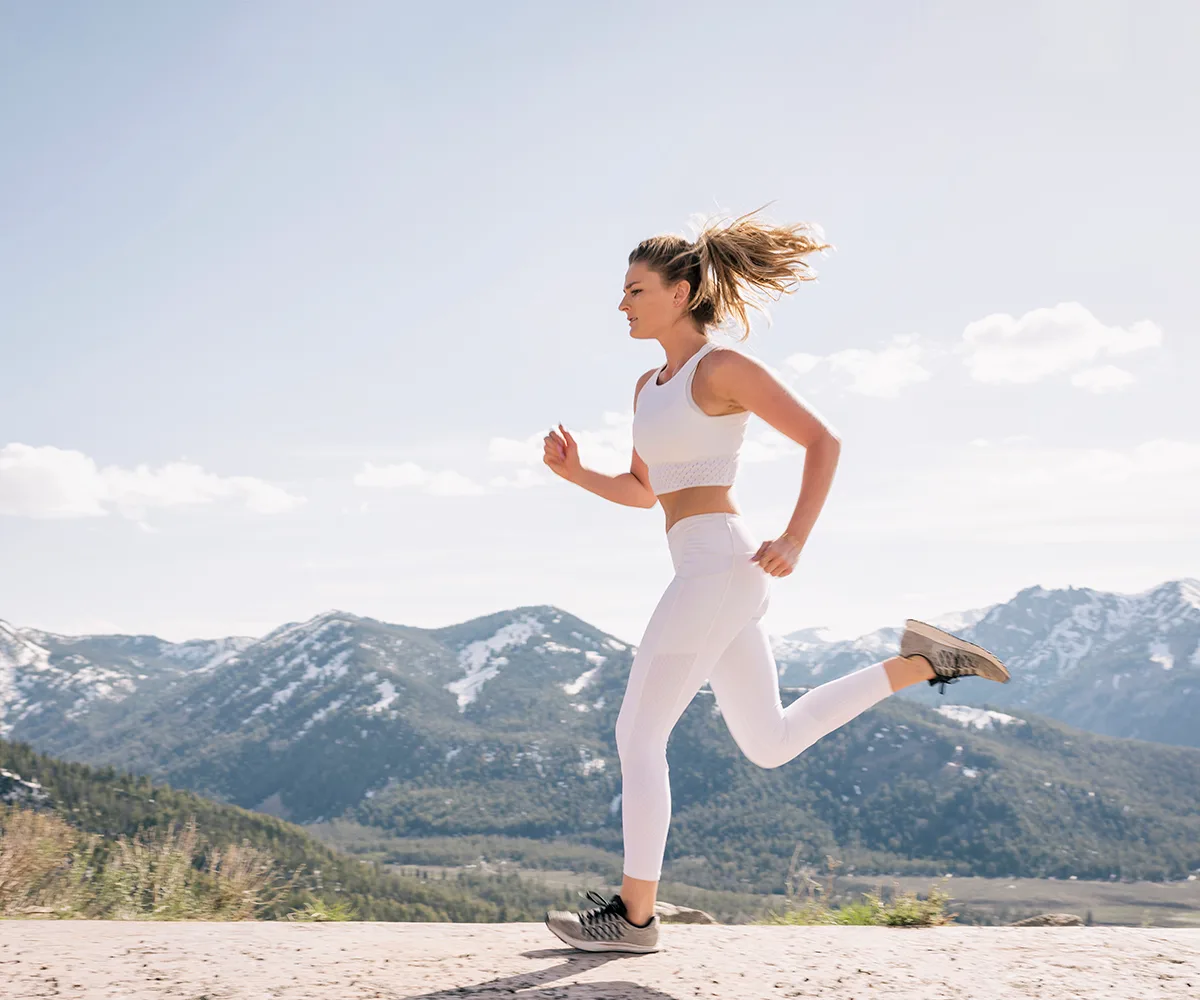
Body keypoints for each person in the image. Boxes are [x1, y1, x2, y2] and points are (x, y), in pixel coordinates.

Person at [539, 206, 1009, 954]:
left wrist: (795, 536)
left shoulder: (720, 368)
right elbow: (642, 489)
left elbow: (823, 439)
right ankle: (923, 659)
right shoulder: (646, 386)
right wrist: (575, 474)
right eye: (622, 292)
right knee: (770, 741)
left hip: (719, 565)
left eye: (635, 290)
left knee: (637, 732)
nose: (621, 304)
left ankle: (633, 919)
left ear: (682, 291)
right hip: (706, 565)